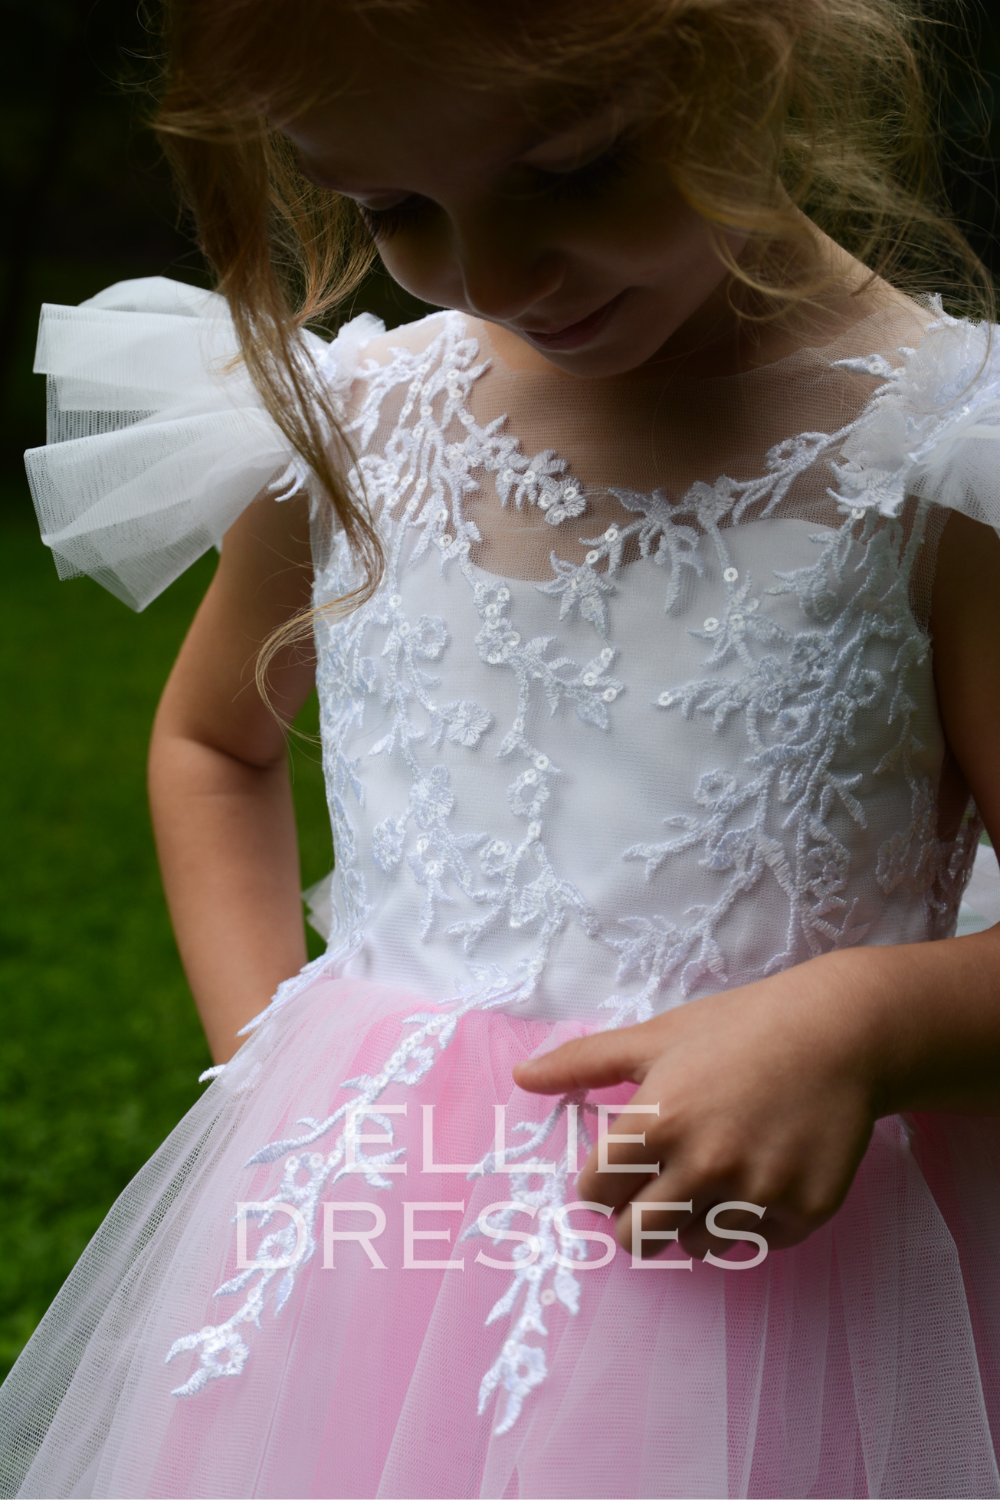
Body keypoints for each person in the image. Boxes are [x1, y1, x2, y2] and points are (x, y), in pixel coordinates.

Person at [3, 0, 1000, 1494]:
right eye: (395, 208)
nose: (493, 274)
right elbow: (215, 741)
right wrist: (272, 1075)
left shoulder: (944, 458)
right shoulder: (359, 422)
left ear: (750, 52)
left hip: (771, 1284)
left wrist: (858, 1027)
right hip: (374, 1248)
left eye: (571, 169)